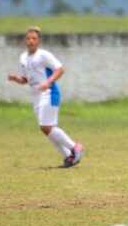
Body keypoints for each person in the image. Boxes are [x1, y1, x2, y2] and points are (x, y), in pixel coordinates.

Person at [7, 26, 84, 167]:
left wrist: (48, 82)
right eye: (28, 38)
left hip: (49, 94)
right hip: (36, 97)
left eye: (34, 38)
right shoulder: (23, 57)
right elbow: (26, 80)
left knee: (46, 126)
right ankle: (69, 157)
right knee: (47, 129)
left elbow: (60, 69)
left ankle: (75, 147)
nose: (31, 41)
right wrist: (15, 78)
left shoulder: (44, 55)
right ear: (25, 40)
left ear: (39, 41)